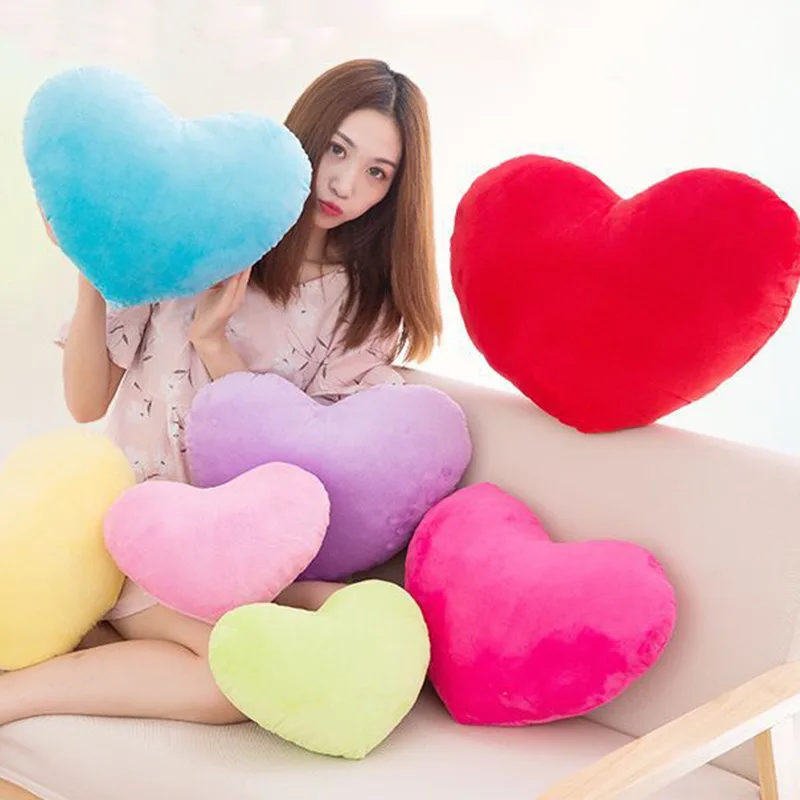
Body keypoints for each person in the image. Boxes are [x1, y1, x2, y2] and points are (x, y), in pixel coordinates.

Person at [0, 59, 441, 727]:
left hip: (234, 547)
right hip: (130, 528)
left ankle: (92, 641)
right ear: (308, 135)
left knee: (346, 619)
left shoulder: (362, 310)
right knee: (232, 676)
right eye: (337, 149)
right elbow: (86, 404)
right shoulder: (193, 236)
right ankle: (17, 698)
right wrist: (91, 269)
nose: (346, 184)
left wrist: (214, 343)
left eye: (377, 172)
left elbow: (300, 459)